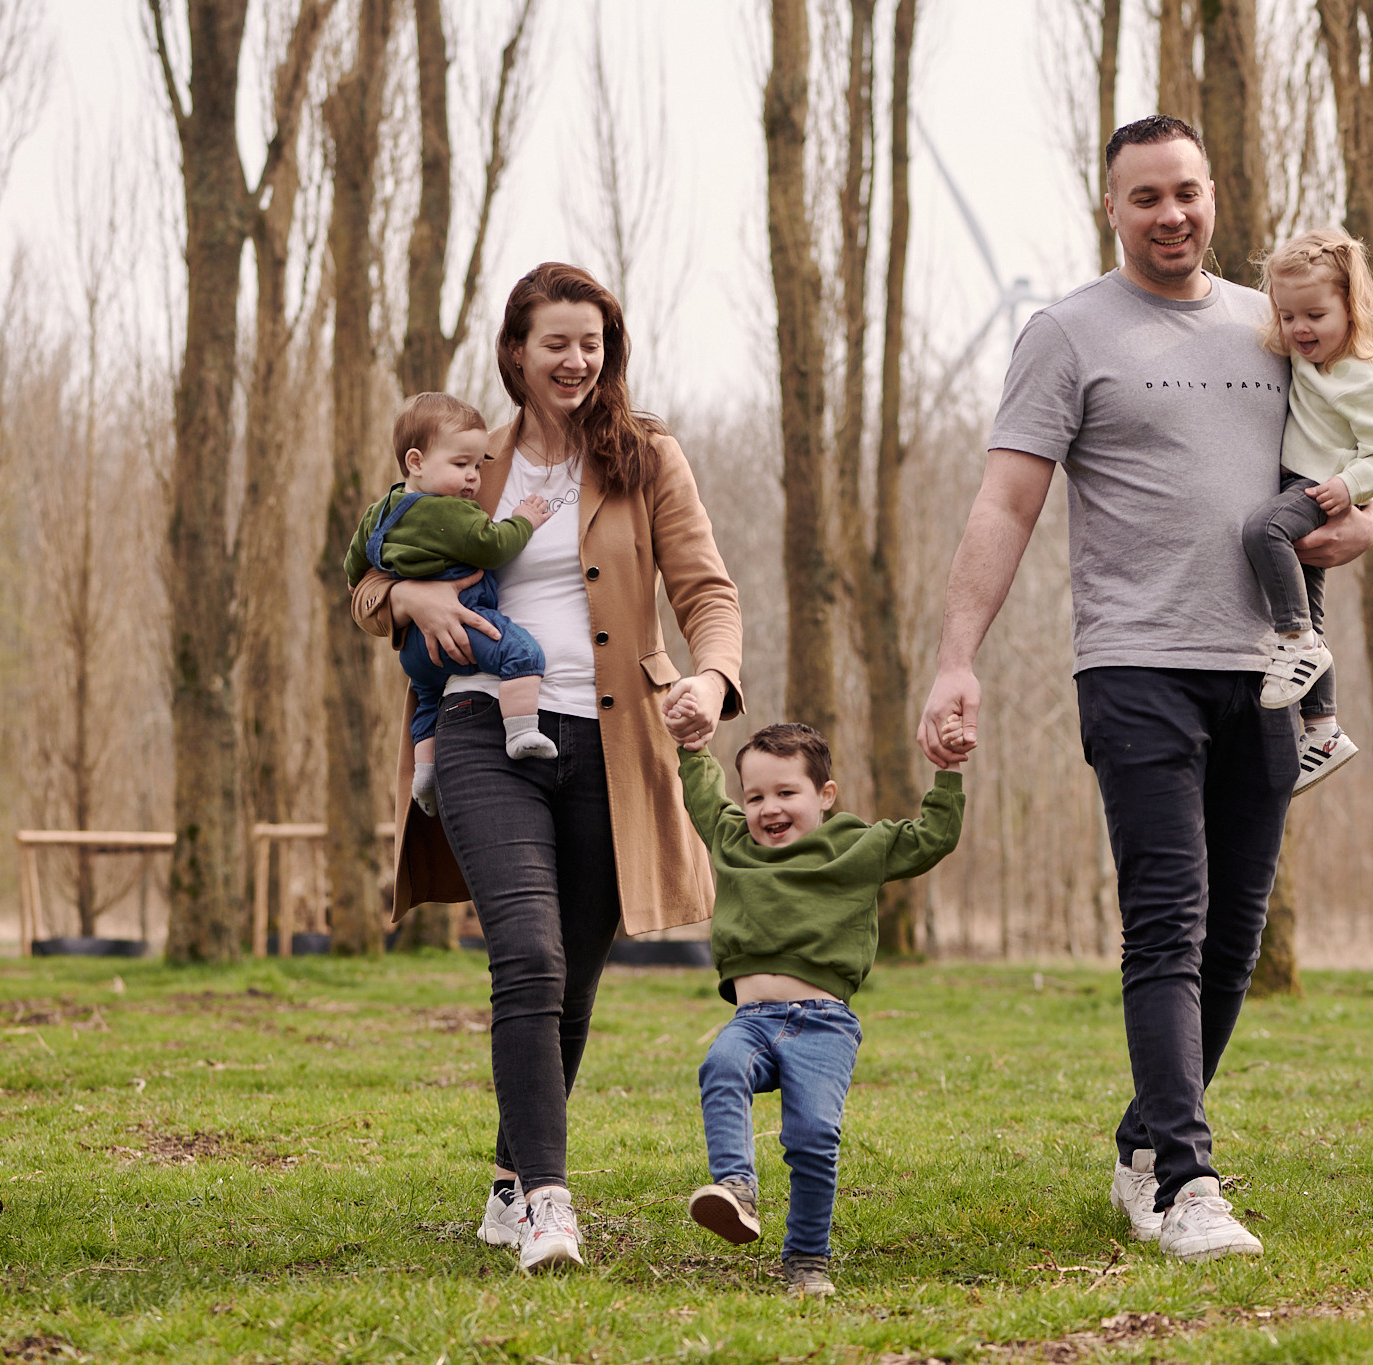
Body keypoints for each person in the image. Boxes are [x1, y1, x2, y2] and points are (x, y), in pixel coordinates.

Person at [914, 115, 1373, 1263]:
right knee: (1167, 917)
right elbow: (1005, 504)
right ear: (1109, 208)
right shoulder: (1066, 333)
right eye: (1144, 197)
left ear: (1211, 194)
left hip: (1271, 670)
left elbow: (1338, 465)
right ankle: (1186, 1179)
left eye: (1185, 192)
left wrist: (1362, 522)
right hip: (1132, 665)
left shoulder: (1272, 328)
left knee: (1232, 939)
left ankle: (1140, 1150)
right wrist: (956, 658)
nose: (1169, 214)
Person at [350, 263, 743, 1272]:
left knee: (568, 979)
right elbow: (368, 563)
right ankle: (548, 1205)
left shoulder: (644, 455)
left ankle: (505, 1177)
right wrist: (407, 601)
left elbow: (705, 590)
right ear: (515, 354)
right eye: (555, 343)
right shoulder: (474, 454)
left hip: (614, 745)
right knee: (523, 954)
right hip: (486, 727)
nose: (575, 361)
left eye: (591, 343)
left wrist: (711, 679)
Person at [666, 719, 966, 1297]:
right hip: (750, 1022)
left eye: (785, 792)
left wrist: (948, 772)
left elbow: (932, 837)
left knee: (812, 1138)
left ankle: (807, 1260)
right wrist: (692, 743)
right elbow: (702, 794)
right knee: (720, 1067)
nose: (768, 808)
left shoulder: (858, 845)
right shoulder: (732, 841)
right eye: (754, 796)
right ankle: (736, 1187)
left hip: (823, 1026)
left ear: (824, 796)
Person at [1242, 229, 1373, 794]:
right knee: (1308, 602)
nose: (1299, 330)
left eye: (1315, 314)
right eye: (1287, 317)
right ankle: (1323, 728)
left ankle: (1295, 641)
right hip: (1304, 481)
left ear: (1351, 307)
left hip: (1319, 489)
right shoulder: (1304, 360)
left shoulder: (1369, 379)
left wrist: (1350, 486)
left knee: (1263, 530)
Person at [343, 393, 559, 820]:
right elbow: (494, 547)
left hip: (414, 650)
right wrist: (524, 520)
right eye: (461, 465)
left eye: (479, 466)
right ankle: (521, 732)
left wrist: (396, 587)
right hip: (465, 626)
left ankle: (424, 772)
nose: (474, 478)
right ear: (416, 461)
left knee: (427, 700)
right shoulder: (454, 514)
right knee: (522, 654)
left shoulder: (376, 514)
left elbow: (355, 568)